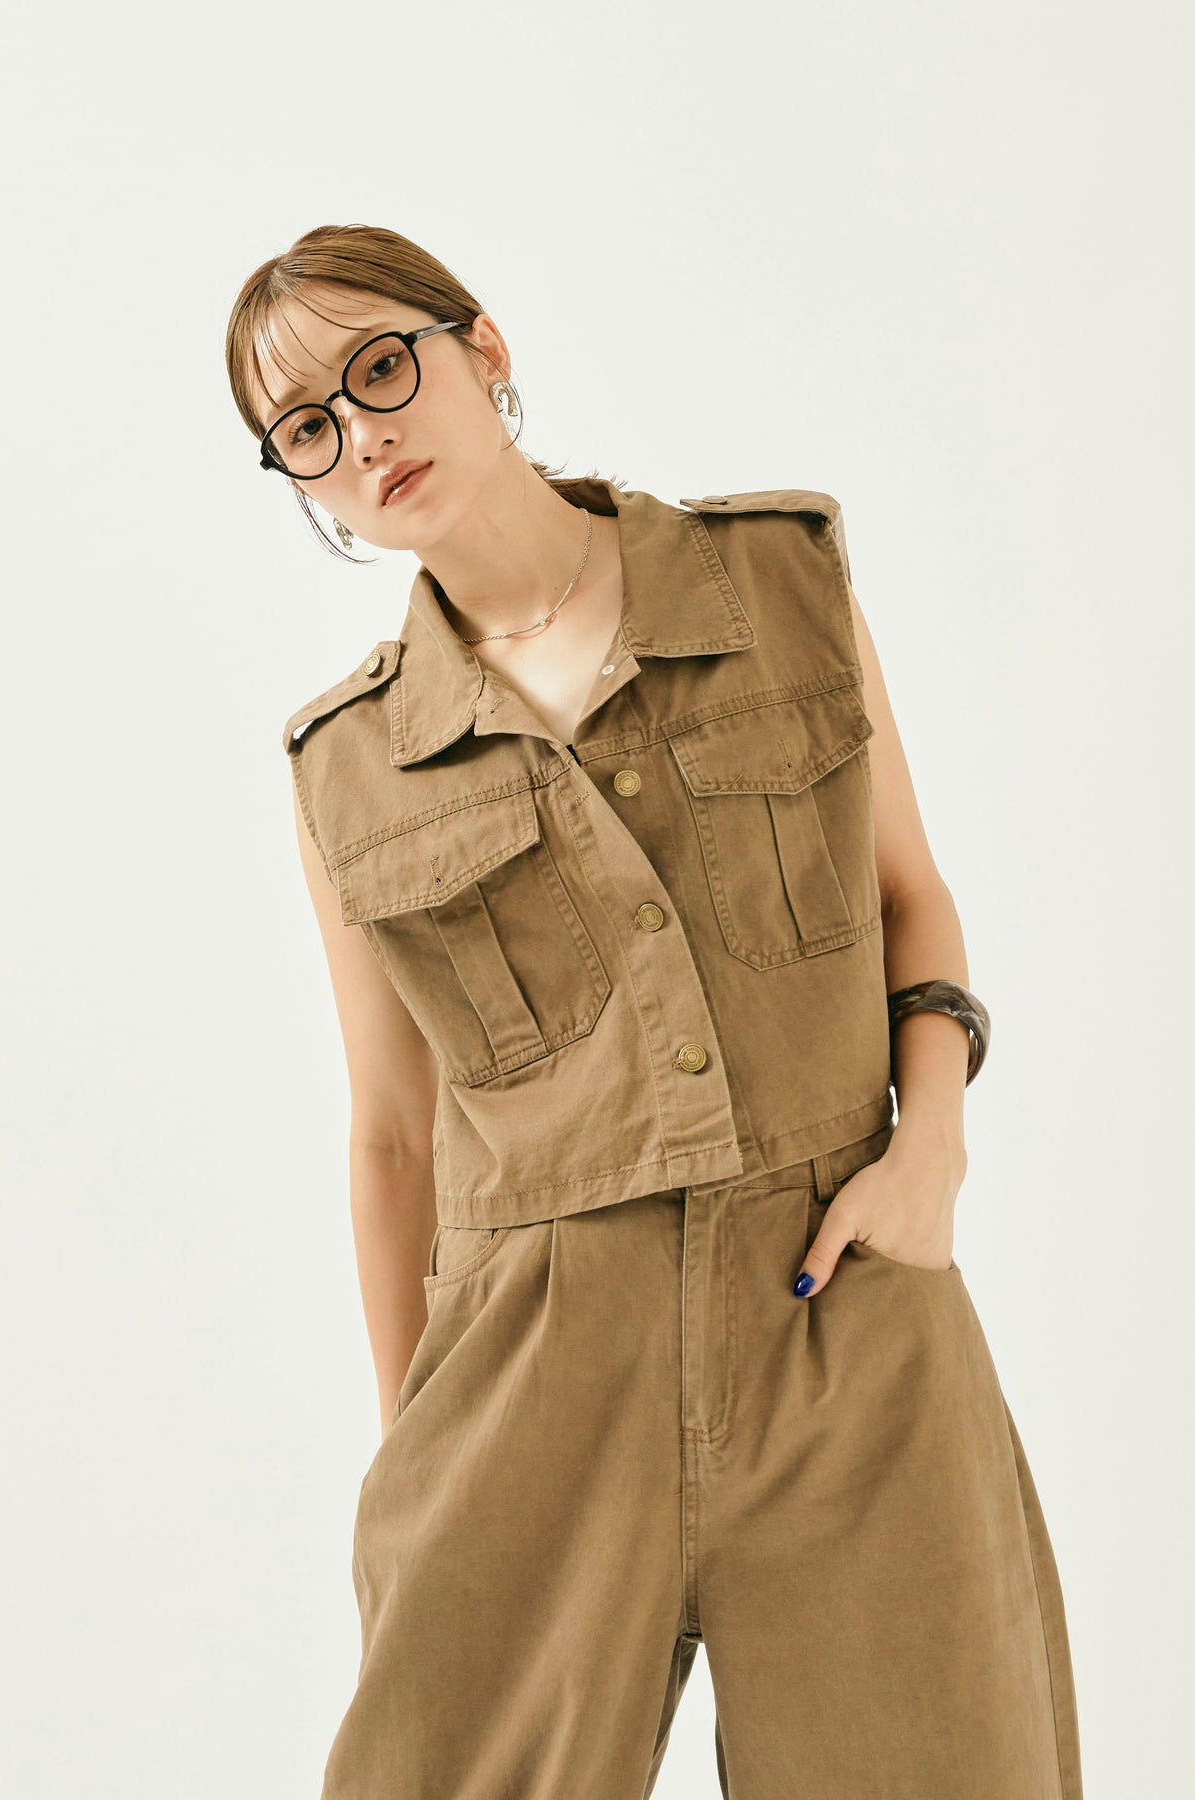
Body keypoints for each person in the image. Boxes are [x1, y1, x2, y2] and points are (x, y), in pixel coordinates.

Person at [225, 223, 1084, 1799]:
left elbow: (911, 899)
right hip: (528, 1376)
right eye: (307, 429)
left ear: (483, 348)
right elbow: (392, 1138)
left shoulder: (778, 580)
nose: (362, 436)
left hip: (844, 1320)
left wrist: (930, 1156)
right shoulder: (346, 765)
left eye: (381, 368)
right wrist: (416, 1448)